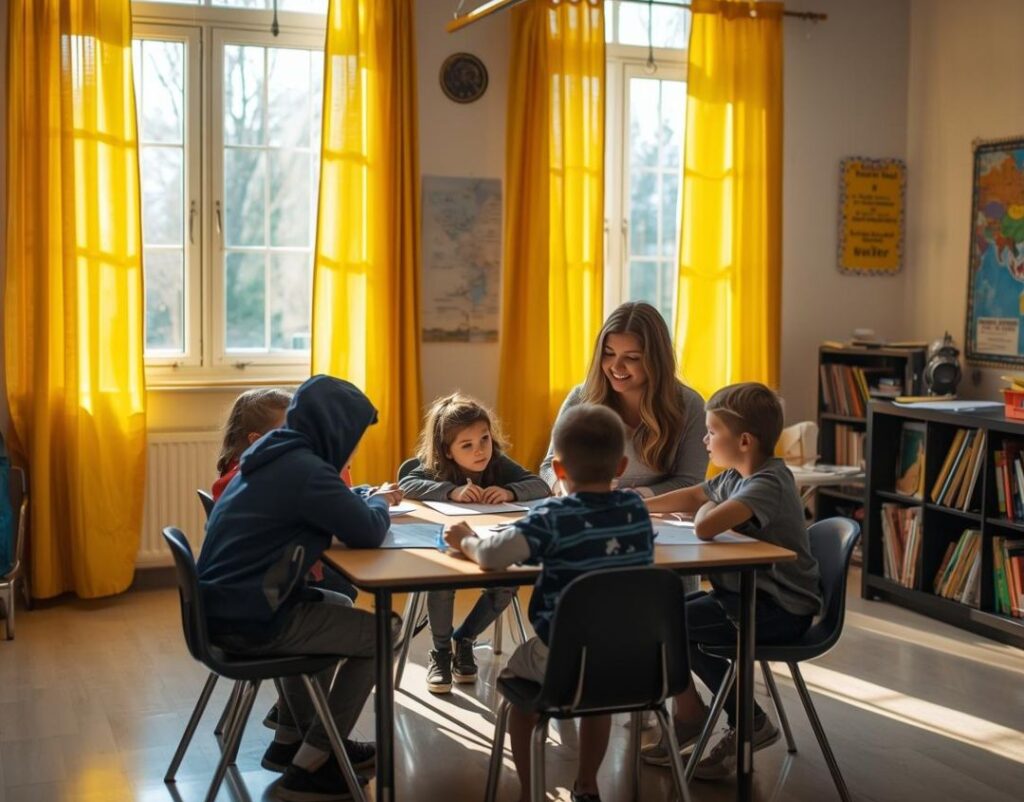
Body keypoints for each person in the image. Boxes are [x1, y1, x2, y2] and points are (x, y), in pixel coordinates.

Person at [198, 375, 403, 802]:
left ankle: (297, 739)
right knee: (386, 630)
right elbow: (365, 531)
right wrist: (380, 502)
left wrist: (362, 500)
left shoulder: (269, 453)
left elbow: (334, 509)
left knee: (330, 603)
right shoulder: (306, 469)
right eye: (354, 436)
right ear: (336, 430)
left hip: (225, 609)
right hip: (253, 621)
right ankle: (315, 762)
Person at [443, 403, 654, 802]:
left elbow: (491, 556)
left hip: (563, 654)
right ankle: (588, 784)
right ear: (622, 466)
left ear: (557, 470)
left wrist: (466, 539)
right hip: (630, 658)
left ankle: (529, 790)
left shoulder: (552, 517)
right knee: (598, 698)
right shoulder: (636, 512)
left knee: (513, 687)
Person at [640, 382, 823, 780]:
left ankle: (744, 720)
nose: (704, 439)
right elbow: (692, 497)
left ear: (743, 440)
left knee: (666, 623)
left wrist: (708, 505)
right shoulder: (737, 476)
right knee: (662, 618)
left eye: (711, 431)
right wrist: (637, 504)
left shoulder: (768, 482)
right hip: (746, 598)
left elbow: (705, 525)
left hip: (779, 609)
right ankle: (705, 715)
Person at [399, 393, 549, 693]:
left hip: (488, 543)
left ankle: (464, 639)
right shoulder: (436, 468)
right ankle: (440, 652)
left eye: (484, 439)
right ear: (448, 452)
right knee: (442, 582)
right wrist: (450, 492)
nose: (480, 451)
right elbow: (407, 482)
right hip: (447, 544)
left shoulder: (498, 464)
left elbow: (540, 484)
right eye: (467, 445)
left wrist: (509, 492)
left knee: (506, 584)